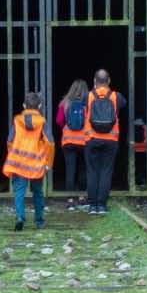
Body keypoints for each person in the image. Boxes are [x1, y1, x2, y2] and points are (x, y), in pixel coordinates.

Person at [3, 91, 54, 231]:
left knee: (19, 191)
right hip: (36, 163)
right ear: (40, 105)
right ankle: (39, 221)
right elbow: (50, 143)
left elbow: (10, 141)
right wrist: (48, 163)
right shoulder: (42, 122)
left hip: (19, 163)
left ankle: (20, 217)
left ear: (24, 105)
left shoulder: (16, 121)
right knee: (38, 192)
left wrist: (13, 155)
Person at [83, 69, 126, 215]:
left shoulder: (87, 96)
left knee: (92, 171)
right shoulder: (117, 96)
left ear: (94, 81)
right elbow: (122, 106)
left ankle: (92, 205)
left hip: (92, 139)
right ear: (109, 81)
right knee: (106, 171)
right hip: (111, 139)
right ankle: (101, 205)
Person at [55, 79, 89, 210]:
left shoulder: (65, 103)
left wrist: (66, 128)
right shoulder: (88, 103)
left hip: (68, 141)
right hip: (84, 141)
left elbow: (59, 121)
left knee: (70, 169)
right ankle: (81, 197)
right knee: (83, 169)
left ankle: (70, 200)